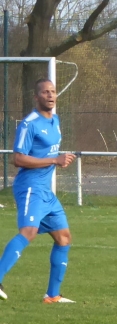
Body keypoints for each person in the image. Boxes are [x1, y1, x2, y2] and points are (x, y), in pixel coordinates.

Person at [0, 79, 76, 303]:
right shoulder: (29, 124)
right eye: (45, 92)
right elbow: (18, 159)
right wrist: (55, 160)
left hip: (46, 191)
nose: (50, 95)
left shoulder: (55, 120)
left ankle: (52, 296)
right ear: (36, 97)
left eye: (53, 91)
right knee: (28, 232)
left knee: (64, 238)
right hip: (30, 187)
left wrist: (59, 159)